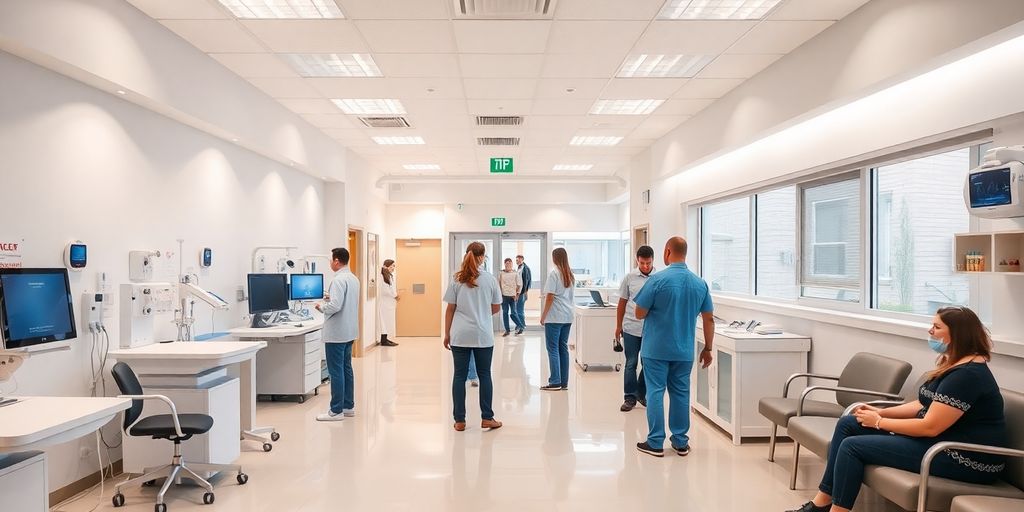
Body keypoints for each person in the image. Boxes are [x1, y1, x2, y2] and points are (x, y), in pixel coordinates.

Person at [787, 306, 1008, 512]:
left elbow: (930, 427)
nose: (930, 330)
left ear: (958, 335)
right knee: (849, 423)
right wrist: (879, 411)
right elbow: (922, 404)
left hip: (961, 457)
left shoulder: (967, 375)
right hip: (939, 442)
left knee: (852, 447)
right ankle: (821, 503)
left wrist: (878, 422)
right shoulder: (954, 365)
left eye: (937, 327)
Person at [632, 237, 714, 457]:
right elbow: (709, 319)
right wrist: (708, 348)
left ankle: (656, 442)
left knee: (656, 392)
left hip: (656, 348)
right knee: (680, 393)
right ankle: (680, 442)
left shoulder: (657, 280)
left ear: (667, 251)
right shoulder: (700, 283)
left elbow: (639, 313)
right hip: (684, 350)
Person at [443, 242, 503, 432]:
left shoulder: (457, 279)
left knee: (459, 375)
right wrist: (482, 314)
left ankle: (459, 420)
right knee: (485, 374)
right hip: (483, 334)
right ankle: (487, 418)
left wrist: (447, 333)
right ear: (483, 256)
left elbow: (450, 308)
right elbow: (496, 306)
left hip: (460, 334)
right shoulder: (490, 279)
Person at [315, 247, 361, 422]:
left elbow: (335, 306)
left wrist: (321, 307)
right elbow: (343, 301)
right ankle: (348, 406)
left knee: (336, 371)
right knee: (346, 368)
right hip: (349, 332)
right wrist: (331, 300)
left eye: (330, 260)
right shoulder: (353, 278)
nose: (330, 263)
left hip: (337, 333)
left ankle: (335, 410)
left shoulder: (338, 280)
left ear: (336, 261)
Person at [615, 245, 656, 412]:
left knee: (648, 363)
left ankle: (641, 392)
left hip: (651, 329)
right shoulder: (629, 277)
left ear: (653, 260)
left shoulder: (658, 278)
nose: (645, 266)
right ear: (636, 260)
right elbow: (622, 303)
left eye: (648, 263)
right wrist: (618, 326)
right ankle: (629, 398)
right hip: (631, 327)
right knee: (631, 363)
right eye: (642, 263)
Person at [540, 248, 575, 391]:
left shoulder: (554, 273)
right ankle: (564, 382)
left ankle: (555, 381)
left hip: (555, 317)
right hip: (567, 316)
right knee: (563, 348)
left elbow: (550, 297)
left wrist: (543, 316)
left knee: (552, 348)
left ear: (555, 258)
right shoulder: (570, 275)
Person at [498, 257, 524, 337]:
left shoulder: (515, 273)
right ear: (504, 264)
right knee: (505, 313)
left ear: (512, 264)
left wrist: (517, 295)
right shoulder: (501, 273)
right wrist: (500, 296)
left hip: (513, 297)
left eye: (509, 263)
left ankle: (520, 325)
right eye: (506, 263)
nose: (508, 265)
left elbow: (520, 285)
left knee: (513, 313)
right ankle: (507, 330)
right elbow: (498, 285)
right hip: (504, 296)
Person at [378, 259, 399, 347]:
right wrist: (395, 295)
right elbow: (385, 290)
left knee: (388, 321)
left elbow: (391, 289)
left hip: (389, 302)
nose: (393, 268)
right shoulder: (382, 276)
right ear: (386, 266)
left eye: (394, 266)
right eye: (392, 266)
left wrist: (395, 295)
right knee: (384, 321)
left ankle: (386, 338)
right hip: (385, 303)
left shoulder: (389, 276)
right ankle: (383, 340)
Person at [515, 255, 532, 335]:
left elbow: (528, 281)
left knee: (519, 310)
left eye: (518, 260)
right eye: (516, 260)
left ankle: (521, 326)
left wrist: (525, 292)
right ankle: (519, 325)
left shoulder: (525, 268)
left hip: (522, 293)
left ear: (522, 260)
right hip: (518, 292)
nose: (517, 261)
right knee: (518, 310)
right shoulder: (519, 268)